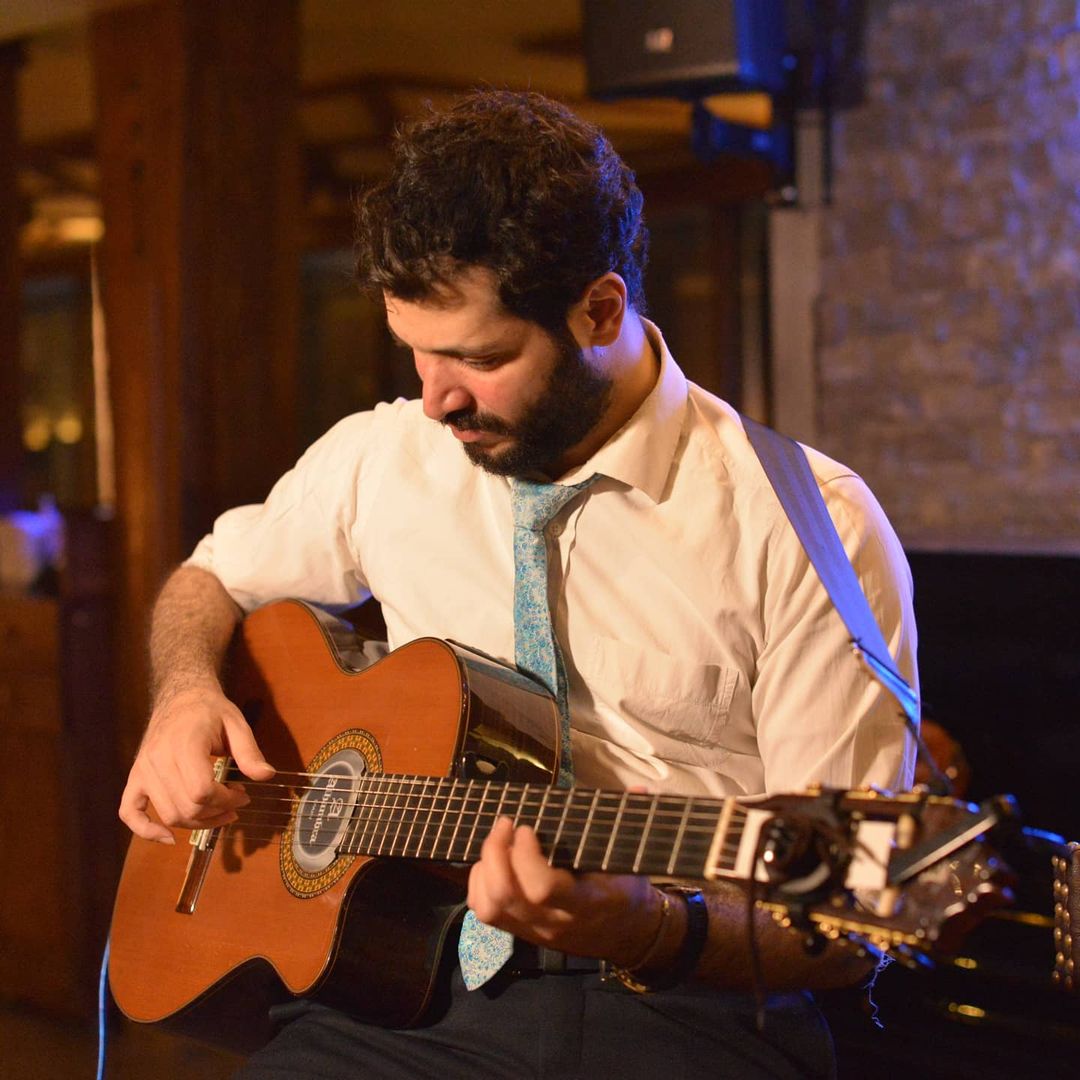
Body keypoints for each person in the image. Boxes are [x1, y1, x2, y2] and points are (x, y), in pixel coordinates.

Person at [118, 91, 918, 1078]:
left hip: (682, 1010)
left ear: (599, 310)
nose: (435, 399)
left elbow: (848, 918)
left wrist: (647, 927)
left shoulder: (809, 526)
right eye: (415, 352)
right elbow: (209, 579)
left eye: (480, 357)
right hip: (396, 989)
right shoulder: (381, 458)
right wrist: (184, 695)